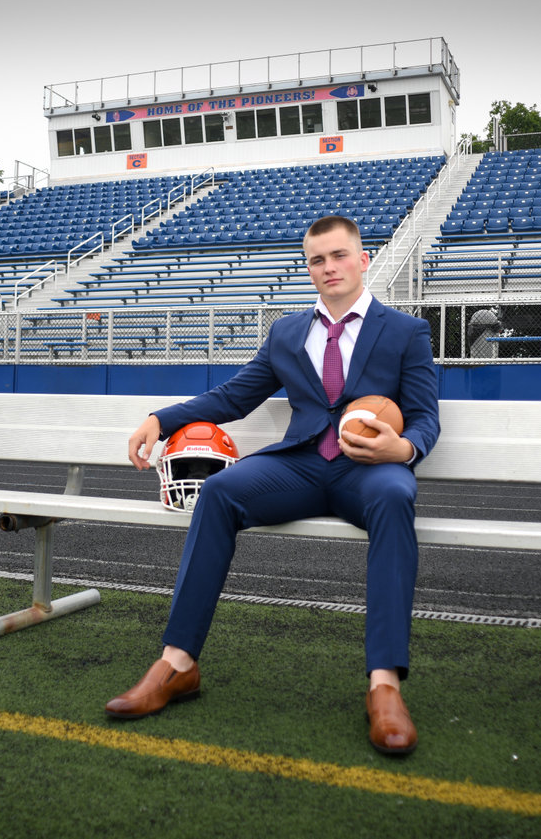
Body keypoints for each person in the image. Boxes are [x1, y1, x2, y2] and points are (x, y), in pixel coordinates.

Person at [107, 214, 441, 756]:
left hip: (369, 470)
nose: (328, 267)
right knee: (219, 493)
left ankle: (384, 685)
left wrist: (401, 450)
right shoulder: (287, 331)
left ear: (362, 259)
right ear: (308, 268)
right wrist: (162, 420)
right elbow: (235, 396)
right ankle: (177, 663)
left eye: (338, 255)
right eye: (316, 259)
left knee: (396, 496)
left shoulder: (405, 331)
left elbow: (426, 415)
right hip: (302, 465)